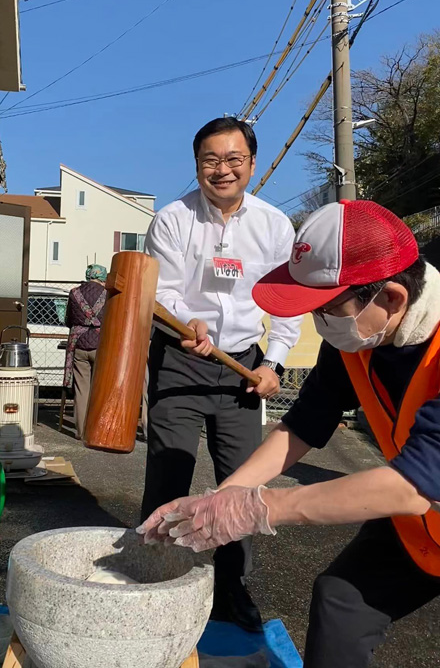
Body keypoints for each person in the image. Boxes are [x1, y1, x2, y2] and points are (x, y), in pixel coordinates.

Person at [139, 199, 440, 667]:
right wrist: (224, 495)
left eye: (328, 309)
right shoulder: (359, 337)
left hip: (422, 499)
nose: (320, 325)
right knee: (343, 603)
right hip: (429, 525)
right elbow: (304, 423)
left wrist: (261, 508)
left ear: (393, 297)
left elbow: (415, 485)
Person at [142, 117, 302, 631]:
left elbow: (289, 301)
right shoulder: (171, 219)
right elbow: (160, 292)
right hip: (180, 359)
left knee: (239, 485)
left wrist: (274, 362)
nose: (222, 170)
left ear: (252, 163)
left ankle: (232, 587)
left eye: (234, 159)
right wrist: (181, 319)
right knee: (169, 473)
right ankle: (156, 576)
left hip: (242, 368)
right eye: (211, 160)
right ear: (197, 166)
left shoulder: (275, 225)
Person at [64, 264, 107, 438]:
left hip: (79, 344)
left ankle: (82, 431)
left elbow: (68, 319)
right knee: (100, 388)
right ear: (103, 278)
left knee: (82, 389)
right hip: (101, 345)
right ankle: (99, 430)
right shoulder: (107, 294)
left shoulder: (74, 293)